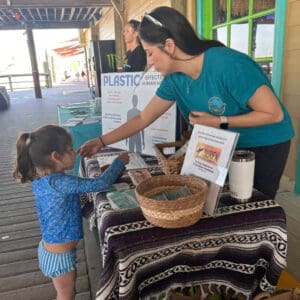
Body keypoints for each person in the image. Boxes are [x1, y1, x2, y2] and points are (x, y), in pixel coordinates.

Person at [78, 6, 294, 199]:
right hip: (224, 144)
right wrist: (101, 140)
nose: (150, 63)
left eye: (150, 53)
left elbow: (273, 114)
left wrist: (219, 121)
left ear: (169, 45)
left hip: (265, 143)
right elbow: (143, 118)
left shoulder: (226, 64)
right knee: (221, 201)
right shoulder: (174, 79)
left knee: (254, 204)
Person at [13, 125, 129, 300]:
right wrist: (120, 162)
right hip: (60, 257)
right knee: (66, 295)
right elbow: (100, 184)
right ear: (55, 157)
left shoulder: (42, 180)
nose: (74, 152)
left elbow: (82, 186)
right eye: (69, 150)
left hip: (52, 250)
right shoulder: (61, 183)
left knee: (66, 293)